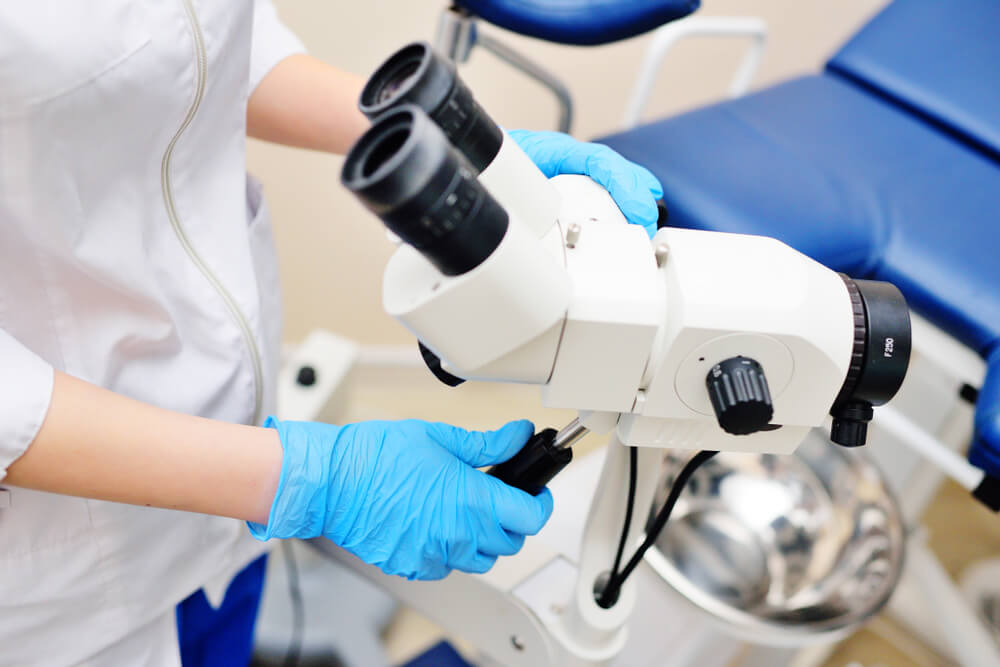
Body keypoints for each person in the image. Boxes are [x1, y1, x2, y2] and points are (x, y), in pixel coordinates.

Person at [0, 3, 664, 665]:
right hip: (68, 581)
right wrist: (311, 479)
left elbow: (200, 44)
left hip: (228, 487)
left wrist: (440, 145)